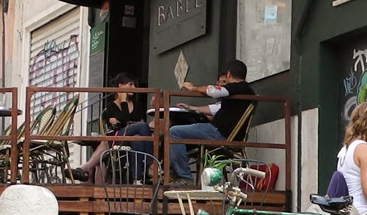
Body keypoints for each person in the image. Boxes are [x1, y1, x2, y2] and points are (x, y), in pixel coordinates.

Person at [83, 60, 258, 183]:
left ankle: (183, 178)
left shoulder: (237, 88)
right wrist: (192, 107)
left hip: (218, 133)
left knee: (175, 132)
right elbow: (215, 108)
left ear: (229, 74)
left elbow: (214, 91)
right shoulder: (245, 93)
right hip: (225, 133)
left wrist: (194, 88)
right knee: (175, 134)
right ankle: (164, 171)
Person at [70, 74, 148, 181]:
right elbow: (124, 121)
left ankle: (137, 179)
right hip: (118, 138)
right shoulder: (111, 106)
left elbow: (132, 122)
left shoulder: (137, 104)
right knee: (140, 128)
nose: (134, 87)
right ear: (120, 86)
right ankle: (151, 163)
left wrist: (122, 121)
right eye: (131, 84)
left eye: (134, 85)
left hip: (133, 138)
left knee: (138, 138)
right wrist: (124, 103)